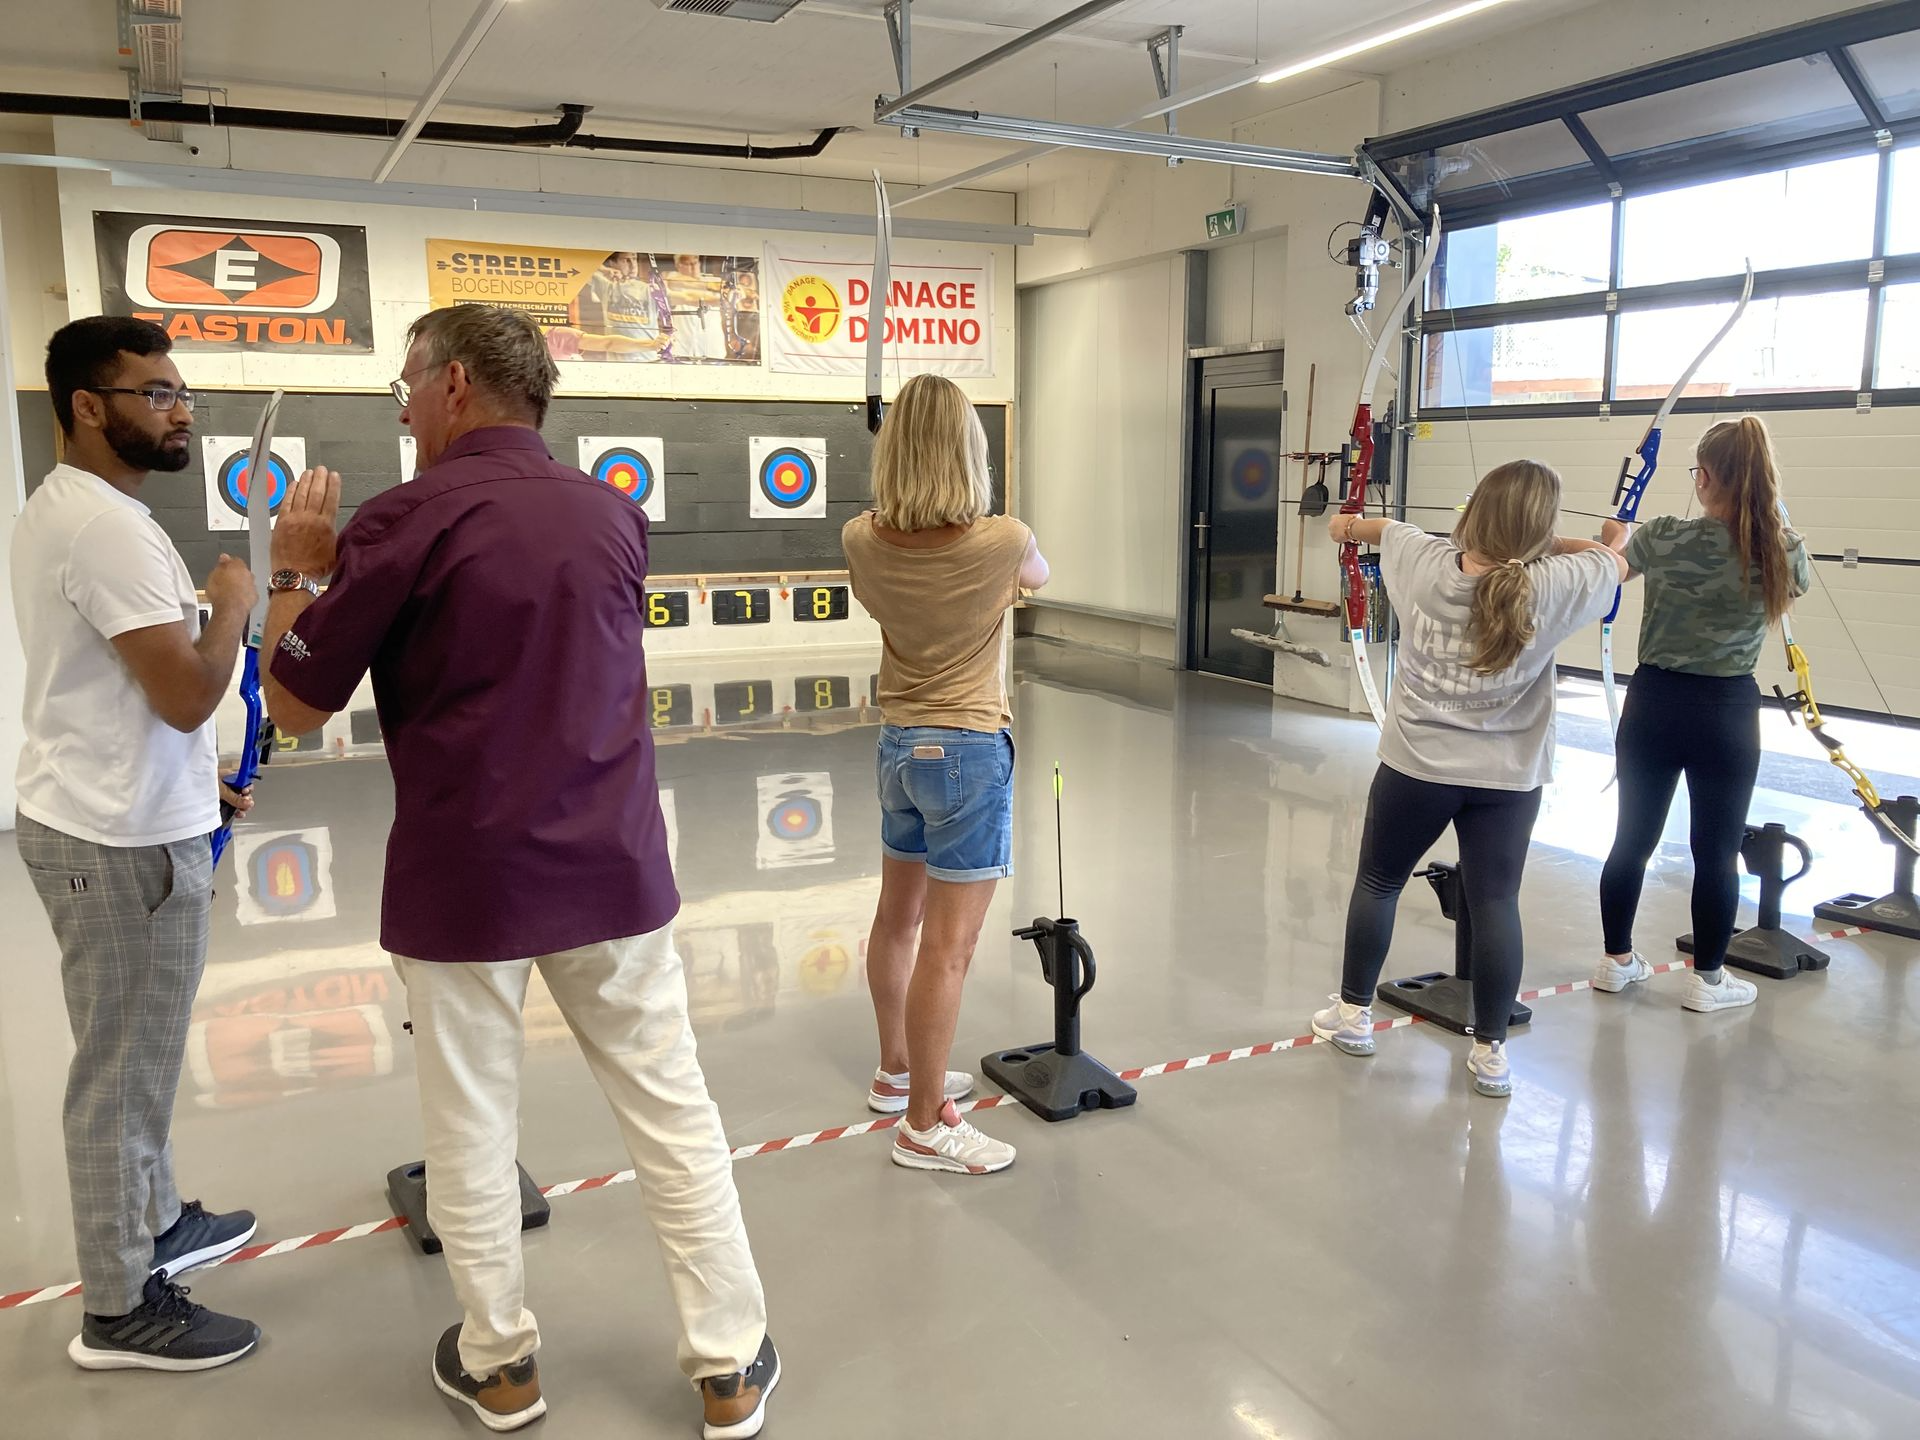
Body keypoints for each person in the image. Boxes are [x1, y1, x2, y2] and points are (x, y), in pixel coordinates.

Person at [260, 305, 777, 1438]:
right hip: (614, 875)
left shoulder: (405, 517)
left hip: (466, 886)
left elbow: (294, 704)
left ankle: (500, 1370)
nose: (399, 408)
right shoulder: (612, 512)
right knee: (674, 1118)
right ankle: (730, 1368)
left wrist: (296, 574)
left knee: (471, 1130)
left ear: (453, 385)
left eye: (406, 384)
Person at [12, 315, 260, 1371]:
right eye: (154, 392)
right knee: (121, 1075)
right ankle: (119, 1309)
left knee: (139, 1061)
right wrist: (237, 609)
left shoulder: (86, 510)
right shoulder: (103, 526)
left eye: (179, 391)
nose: (179, 409)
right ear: (84, 405)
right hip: (117, 843)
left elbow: (130, 694)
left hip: (124, 814)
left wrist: (198, 781)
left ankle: (155, 1227)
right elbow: (182, 690)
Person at [1309, 461, 1628, 1097]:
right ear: (1541, 530)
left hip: (1417, 765)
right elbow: (1618, 556)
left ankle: (1351, 1017)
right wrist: (1590, 539)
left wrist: (1342, 524)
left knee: (1379, 882)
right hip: (1508, 779)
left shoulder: (1420, 559)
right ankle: (1490, 1057)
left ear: (1472, 513)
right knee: (1495, 902)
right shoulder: (1560, 581)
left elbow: (1372, 529)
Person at [842, 373, 1049, 1174]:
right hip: (966, 751)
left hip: (898, 746)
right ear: (971, 449)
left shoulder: (861, 537)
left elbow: (882, 584)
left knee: (899, 919)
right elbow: (1040, 575)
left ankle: (898, 1073)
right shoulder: (1002, 539)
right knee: (950, 949)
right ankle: (925, 1123)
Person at [1592, 416, 1811, 1013]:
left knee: (1631, 839)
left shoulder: (1662, 535)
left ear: (1707, 476)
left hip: (1655, 703)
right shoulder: (1782, 548)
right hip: (1726, 713)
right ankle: (1708, 980)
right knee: (1715, 850)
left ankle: (1616, 961)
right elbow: (1789, 584)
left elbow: (1614, 567)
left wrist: (1617, 538)